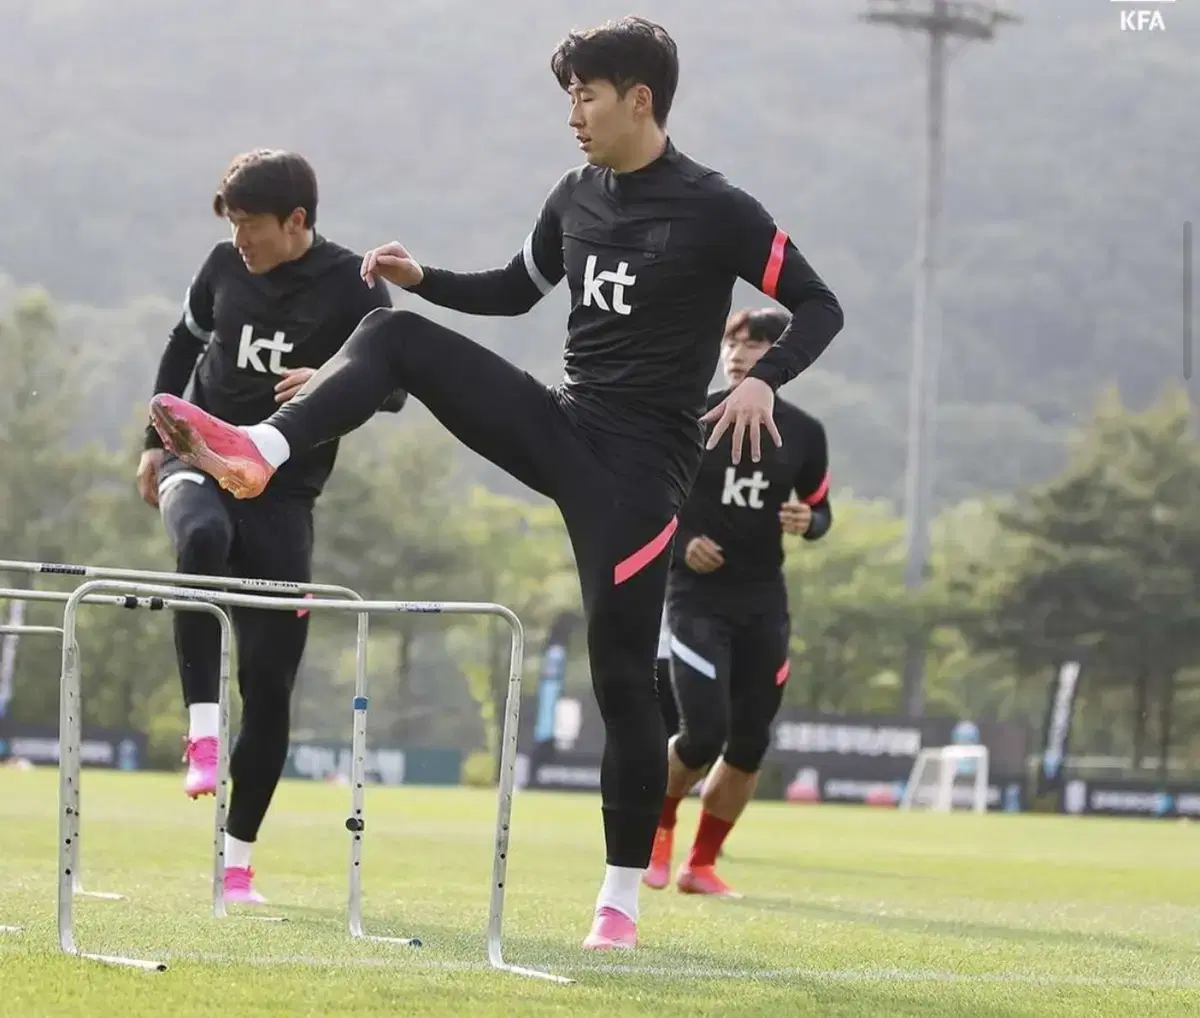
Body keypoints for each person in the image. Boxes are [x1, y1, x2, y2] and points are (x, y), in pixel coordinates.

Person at [145, 18, 844, 949]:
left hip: (638, 476)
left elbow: (821, 303)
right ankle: (262, 452)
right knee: (391, 335)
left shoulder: (718, 209)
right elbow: (517, 287)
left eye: (587, 96)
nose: (574, 116)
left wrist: (762, 378)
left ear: (641, 99)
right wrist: (419, 276)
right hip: (561, 423)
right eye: (568, 97)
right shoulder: (574, 195)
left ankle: (620, 903)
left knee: (623, 684)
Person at [135, 149, 407, 905]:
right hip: (198, 461)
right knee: (200, 540)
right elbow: (182, 344)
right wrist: (154, 440)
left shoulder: (355, 286)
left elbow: (394, 393)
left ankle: (239, 861)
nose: (240, 241)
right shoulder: (221, 268)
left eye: (251, 226)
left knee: (270, 682)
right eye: (232, 225)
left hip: (286, 493)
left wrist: (329, 381)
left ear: (297, 222)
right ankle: (200, 730)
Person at [645, 307, 832, 898]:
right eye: (731, 343)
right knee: (703, 733)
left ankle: (700, 865)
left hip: (764, 602)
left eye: (753, 345)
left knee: (750, 741)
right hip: (695, 600)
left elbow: (822, 510)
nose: (737, 354)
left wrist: (810, 521)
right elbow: (642, 501)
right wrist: (680, 543)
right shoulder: (689, 416)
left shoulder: (805, 434)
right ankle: (656, 832)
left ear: (781, 358)